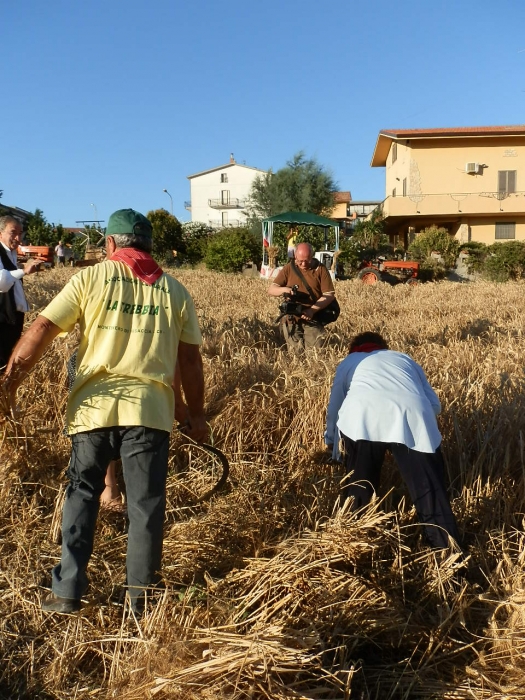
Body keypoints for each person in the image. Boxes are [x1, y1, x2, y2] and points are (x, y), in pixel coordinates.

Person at [2, 208, 207, 614]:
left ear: (110, 244)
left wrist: (9, 384)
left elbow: (41, 329)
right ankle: (140, 601)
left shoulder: (90, 278)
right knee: (145, 506)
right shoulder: (175, 291)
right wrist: (195, 416)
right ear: (149, 245)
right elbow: (190, 362)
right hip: (149, 413)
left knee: (82, 494)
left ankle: (66, 592)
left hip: (93, 411)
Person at [324, 332, 460, 549]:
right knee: (430, 490)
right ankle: (448, 552)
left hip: (361, 419)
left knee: (360, 487)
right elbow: (435, 405)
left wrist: (330, 441)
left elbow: (335, 407)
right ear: (384, 347)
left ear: (354, 348)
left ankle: (352, 546)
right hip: (411, 418)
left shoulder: (350, 361)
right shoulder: (404, 358)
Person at [268, 242, 336, 351]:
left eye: (307, 260)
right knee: (295, 354)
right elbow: (271, 290)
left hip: (313, 318)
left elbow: (329, 295)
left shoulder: (320, 269)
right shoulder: (288, 269)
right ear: (295, 256)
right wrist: (286, 290)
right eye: (300, 261)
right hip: (291, 320)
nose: (303, 264)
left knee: (315, 354)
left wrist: (312, 310)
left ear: (312, 257)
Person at [0, 216, 41, 373]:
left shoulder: (11, 253)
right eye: (13, 232)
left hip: (11, 321)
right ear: (0, 234)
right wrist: (23, 271)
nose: (18, 238)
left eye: (20, 233)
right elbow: (1, 282)